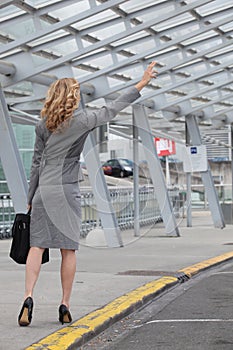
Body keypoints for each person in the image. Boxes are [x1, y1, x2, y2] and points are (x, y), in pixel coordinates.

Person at [18, 62, 158, 327]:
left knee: (36, 247)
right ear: (73, 97)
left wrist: (30, 196)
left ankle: (27, 297)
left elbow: (36, 163)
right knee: (68, 250)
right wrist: (141, 83)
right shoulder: (82, 121)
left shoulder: (42, 126)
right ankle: (65, 305)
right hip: (68, 191)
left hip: (43, 192)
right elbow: (112, 108)